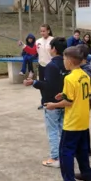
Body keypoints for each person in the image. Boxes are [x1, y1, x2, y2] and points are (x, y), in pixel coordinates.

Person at [45, 46, 91, 181]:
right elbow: (82, 94)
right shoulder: (85, 75)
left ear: (70, 61)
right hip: (83, 119)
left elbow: (69, 102)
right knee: (82, 149)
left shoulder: (69, 77)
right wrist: (64, 94)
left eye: (65, 59)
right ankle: (87, 173)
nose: (64, 62)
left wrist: (54, 105)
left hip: (72, 121)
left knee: (65, 152)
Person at [25, 37, 67, 168]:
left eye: (50, 46)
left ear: (54, 49)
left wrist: (34, 82)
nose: (48, 48)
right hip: (64, 102)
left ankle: (55, 157)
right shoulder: (67, 64)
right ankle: (64, 155)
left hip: (51, 103)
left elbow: (48, 86)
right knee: (62, 129)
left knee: (53, 131)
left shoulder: (51, 66)